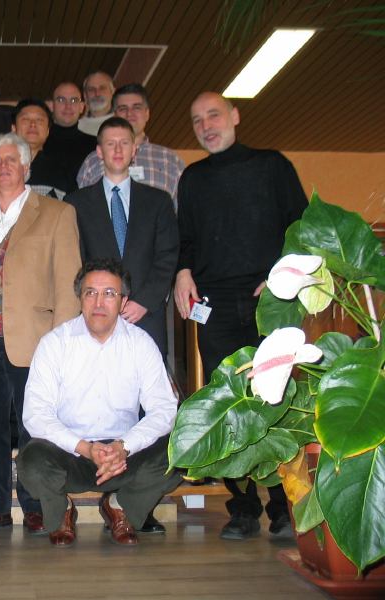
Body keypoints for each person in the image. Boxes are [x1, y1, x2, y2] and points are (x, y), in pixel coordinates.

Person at [174, 92, 308, 540]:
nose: (206, 125)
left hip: (268, 301)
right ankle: (244, 507)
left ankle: (285, 507)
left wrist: (281, 277)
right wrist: (182, 272)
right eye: (197, 120)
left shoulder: (272, 165)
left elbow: (301, 227)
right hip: (215, 307)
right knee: (227, 403)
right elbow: (186, 239)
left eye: (214, 114)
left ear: (234, 115)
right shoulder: (192, 178)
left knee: (277, 400)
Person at [0, 133, 81, 534]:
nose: (4, 166)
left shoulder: (57, 213)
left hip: (37, 341)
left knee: (35, 430)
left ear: (27, 167)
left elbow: (68, 283)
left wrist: (61, 345)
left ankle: (38, 505)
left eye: (12, 160)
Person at [17, 257, 182, 546]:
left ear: (123, 300)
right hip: (72, 453)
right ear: (79, 298)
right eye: (90, 293)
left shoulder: (141, 343)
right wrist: (85, 448)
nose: (99, 302)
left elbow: (165, 409)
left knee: (181, 453)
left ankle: (120, 507)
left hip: (123, 455)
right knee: (30, 461)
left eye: (109, 294)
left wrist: (123, 446)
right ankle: (61, 513)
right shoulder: (55, 343)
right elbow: (35, 414)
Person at [66, 117, 178, 359]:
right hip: (96, 316)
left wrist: (144, 301)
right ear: (99, 151)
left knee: (147, 392)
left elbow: (167, 256)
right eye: (110, 144)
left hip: (146, 314)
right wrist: (99, 302)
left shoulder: (159, 201)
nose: (118, 150)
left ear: (134, 149)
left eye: (124, 143)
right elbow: (74, 260)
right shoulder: (76, 203)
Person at [77, 84, 185, 208]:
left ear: (147, 114)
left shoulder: (171, 160)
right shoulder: (93, 161)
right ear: (115, 115)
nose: (129, 113)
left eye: (136, 107)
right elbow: (83, 212)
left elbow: (183, 213)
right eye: (123, 108)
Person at [12, 98, 77, 198]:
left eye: (39, 120)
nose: (33, 124)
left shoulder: (62, 170)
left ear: (47, 131)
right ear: (14, 128)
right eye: (26, 119)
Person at [43, 82, 96, 184]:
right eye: (61, 100)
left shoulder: (94, 145)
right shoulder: (38, 142)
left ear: (81, 107)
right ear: (51, 106)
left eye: (74, 100)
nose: (68, 106)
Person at [78, 71, 114, 136]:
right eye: (91, 89)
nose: (97, 94)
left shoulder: (123, 122)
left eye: (102, 88)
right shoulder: (76, 126)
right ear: (85, 95)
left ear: (112, 92)